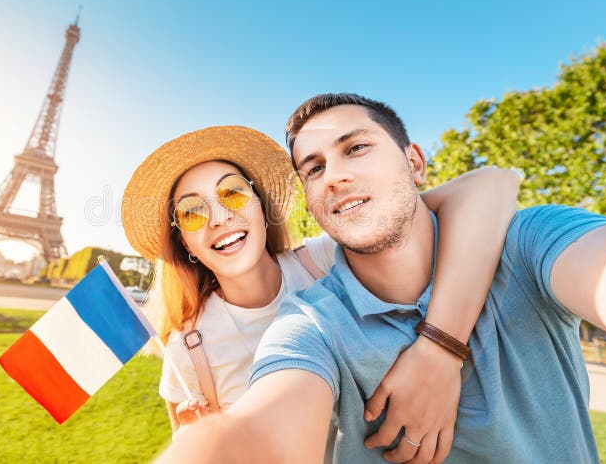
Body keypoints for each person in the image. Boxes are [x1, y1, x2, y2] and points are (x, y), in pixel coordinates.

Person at [157, 94, 606, 464]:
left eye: (357, 148)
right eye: (315, 169)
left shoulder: (527, 243)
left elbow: (495, 183)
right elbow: (267, 426)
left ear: (415, 162)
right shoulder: (308, 322)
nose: (335, 177)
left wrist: (440, 347)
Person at [121, 124, 521, 458]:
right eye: (192, 211)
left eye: (232, 193)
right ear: (184, 244)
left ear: (261, 205)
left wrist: (440, 349)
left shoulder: (328, 258)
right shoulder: (188, 349)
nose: (220, 218)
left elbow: (493, 184)